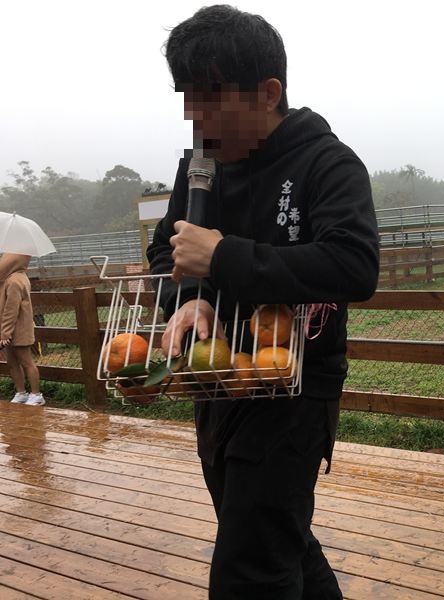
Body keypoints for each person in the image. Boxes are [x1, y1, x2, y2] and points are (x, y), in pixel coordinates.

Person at [146, 5, 379, 599]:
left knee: (250, 566)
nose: (195, 117)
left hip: (295, 385)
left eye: (210, 99)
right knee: (272, 536)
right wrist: (190, 298)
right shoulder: (199, 165)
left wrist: (224, 256)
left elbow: (354, 265)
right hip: (217, 374)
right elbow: (167, 249)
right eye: (187, 98)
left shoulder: (327, 162)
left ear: (268, 92)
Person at [0, 252, 44, 406]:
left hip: (19, 329)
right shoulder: (11, 278)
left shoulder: (14, 281)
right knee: (12, 362)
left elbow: (11, 310)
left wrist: (5, 333)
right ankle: (21, 392)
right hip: (9, 330)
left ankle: (36, 394)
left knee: (26, 362)